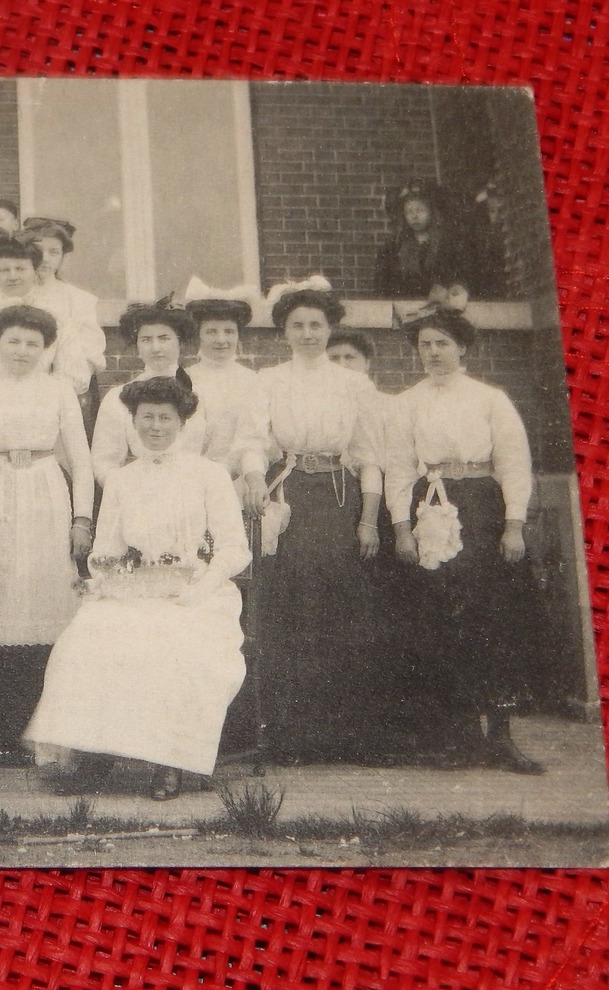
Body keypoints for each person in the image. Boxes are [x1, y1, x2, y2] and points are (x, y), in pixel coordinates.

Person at [27, 377, 250, 799]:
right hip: (137, 590)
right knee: (86, 638)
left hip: (197, 592)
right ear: (133, 423)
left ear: (183, 423)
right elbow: (105, 549)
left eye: (166, 418)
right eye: (146, 417)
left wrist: (199, 589)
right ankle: (94, 755)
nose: (155, 427)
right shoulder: (122, 480)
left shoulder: (209, 475)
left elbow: (235, 550)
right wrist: (106, 577)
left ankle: (170, 762)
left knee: (171, 646)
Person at [386, 310, 545, 774]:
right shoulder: (407, 403)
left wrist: (512, 524)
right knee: (441, 622)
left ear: (462, 349)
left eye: (442, 344)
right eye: (425, 346)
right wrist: (401, 529)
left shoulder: (490, 399)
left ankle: (501, 737)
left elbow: (513, 462)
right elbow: (398, 467)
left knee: (494, 621)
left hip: (481, 507)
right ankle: (460, 739)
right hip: (430, 510)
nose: (433, 353)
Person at [235, 286, 388, 762]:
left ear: (329, 329)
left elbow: (369, 456)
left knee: (341, 607)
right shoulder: (268, 381)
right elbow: (252, 440)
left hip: (339, 498)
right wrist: (256, 478)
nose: (307, 334)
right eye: (297, 325)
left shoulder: (353, 384)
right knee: (289, 605)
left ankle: (343, 734)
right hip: (290, 492)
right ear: (284, 331)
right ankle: (290, 734)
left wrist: (367, 521)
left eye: (316, 325)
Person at [0, 305, 94, 755]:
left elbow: (83, 463)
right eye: (13, 341)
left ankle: (41, 731)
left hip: (47, 493)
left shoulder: (59, 390)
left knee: (46, 600)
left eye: (33, 343)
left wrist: (81, 519)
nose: (22, 350)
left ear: (46, 348)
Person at [0, 240, 94, 398]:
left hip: (42, 405)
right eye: (4, 270)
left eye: (20, 269)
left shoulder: (59, 318)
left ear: (35, 273)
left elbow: (73, 376)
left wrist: (37, 398)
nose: (13, 276)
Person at [90, 304, 207, 484]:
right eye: (146, 339)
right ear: (137, 346)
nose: (155, 347)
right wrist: (130, 491)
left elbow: (216, 455)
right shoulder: (118, 398)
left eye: (164, 338)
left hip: (194, 492)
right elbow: (104, 462)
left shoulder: (203, 393)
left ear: (180, 342)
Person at [21, 216, 107, 382]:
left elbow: (91, 354)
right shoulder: (10, 295)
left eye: (54, 252)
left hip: (65, 386)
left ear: (62, 256)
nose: (45, 258)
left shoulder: (79, 300)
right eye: (38, 251)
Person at [185, 297, 260, 476]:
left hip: (236, 477)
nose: (221, 340)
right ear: (199, 335)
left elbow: (252, 439)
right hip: (189, 476)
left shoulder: (251, 381)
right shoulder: (185, 378)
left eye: (229, 331)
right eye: (211, 332)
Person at [374, 183, 473, 298]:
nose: (414, 216)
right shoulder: (394, 245)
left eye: (420, 210)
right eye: (409, 211)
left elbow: (459, 277)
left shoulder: (447, 244)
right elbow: (382, 284)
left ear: (431, 212)